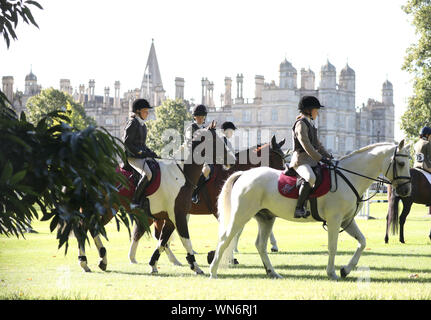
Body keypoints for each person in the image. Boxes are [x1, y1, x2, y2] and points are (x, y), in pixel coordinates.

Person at [289, 96, 333, 218]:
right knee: (310, 177)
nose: (317, 112)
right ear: (308, 110)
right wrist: (320, 158)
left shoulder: (310, 124)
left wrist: (329, 157)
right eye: (316, 110)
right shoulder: (300, 124)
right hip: (300, 161)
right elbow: (307, 145)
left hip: (311, 161)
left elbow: (317, 144)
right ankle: (298, 208)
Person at [123, 98, 158, 211]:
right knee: (148, 174)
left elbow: (141, 144)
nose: (147, 113)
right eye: (145, 111)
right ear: (138, 111)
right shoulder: (133, 123)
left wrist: (150, 152)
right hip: (131, 157)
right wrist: (140, 152)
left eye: (148, 111)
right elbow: (127, 143)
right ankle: (135, 201)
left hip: (139, 156)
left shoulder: (142, 125)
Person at [187, 104, 213, 204]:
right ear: (195, 117)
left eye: (202, 117)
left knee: (208, 169)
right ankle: (194, 193)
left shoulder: (206, 129)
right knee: (206, 170)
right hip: (191, 157)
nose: (201, 119)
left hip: (204, 158)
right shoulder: (191, 128)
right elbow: (189, 144)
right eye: (199, 117)